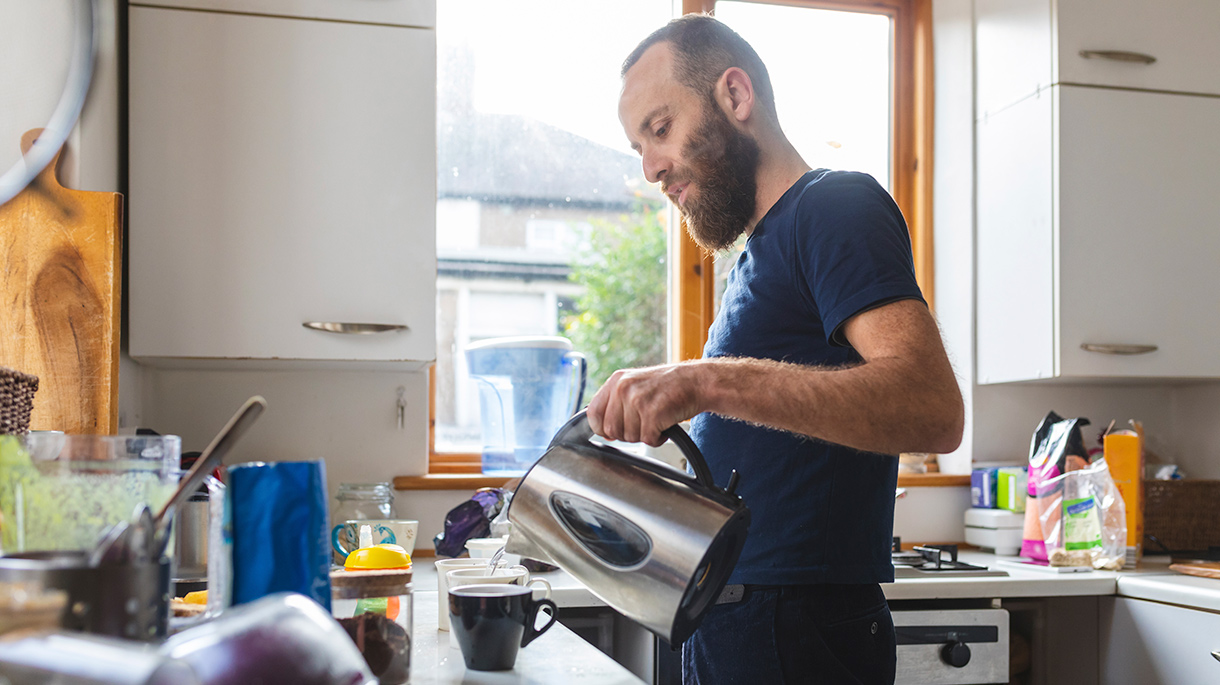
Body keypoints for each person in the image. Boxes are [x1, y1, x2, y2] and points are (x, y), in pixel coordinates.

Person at [586, 14, 965, 685]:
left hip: (795, 630)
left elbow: (931, 408)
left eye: (660, 129)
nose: (649, 169)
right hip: (744, 622)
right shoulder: (759, 256)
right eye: (638, 146)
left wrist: (703, 381)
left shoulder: (835, 207)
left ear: (735, 96)